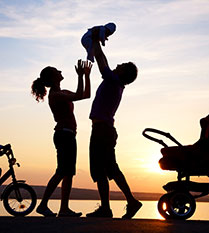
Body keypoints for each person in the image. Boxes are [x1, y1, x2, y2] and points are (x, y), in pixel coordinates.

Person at [86, 40, 142, 219]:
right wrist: (95, 42)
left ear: (124, 72)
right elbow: (102, 59)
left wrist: (95, 40)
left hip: (102, 130)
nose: (118, 65)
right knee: (107, 169)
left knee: (104, 169)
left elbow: (102, 61)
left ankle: (120, 205)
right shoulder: (115, 83)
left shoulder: (113, 81)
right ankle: (115, 206)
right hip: (104, 130)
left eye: (122, 65)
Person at [31, 59, 92, 217]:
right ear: (52, 78)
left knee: (68, 173)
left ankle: (64, 209)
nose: (60, 71)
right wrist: (80, 76)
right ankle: (43, 205)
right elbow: (79, 94)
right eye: (57, 70)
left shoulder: (62, 92)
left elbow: (86, 95)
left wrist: (87, 75)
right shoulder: (56, 95)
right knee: (61, 172)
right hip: (64, 134)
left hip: (68, 134)